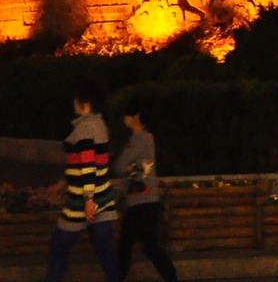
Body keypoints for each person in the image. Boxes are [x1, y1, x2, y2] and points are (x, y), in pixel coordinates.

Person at [45, 79, 120, 282]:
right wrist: (65, 182)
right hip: (103, 198)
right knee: (107, 255)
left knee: (59, 250)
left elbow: (88, 167)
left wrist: (88, 199)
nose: (73, 103)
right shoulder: (101, 125)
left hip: (81, 203)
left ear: (84, 102)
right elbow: (94, 164)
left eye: (76, 99)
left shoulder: (85, 129)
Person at [114, 101, 178, 282]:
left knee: (128, 248)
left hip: (139, 204)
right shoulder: (149, 138)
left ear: (135, 118)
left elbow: (119, 165)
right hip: (148, 202)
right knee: (148, 247)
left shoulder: (136, 140)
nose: (124, 119)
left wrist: (128, 167)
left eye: (127, 115)